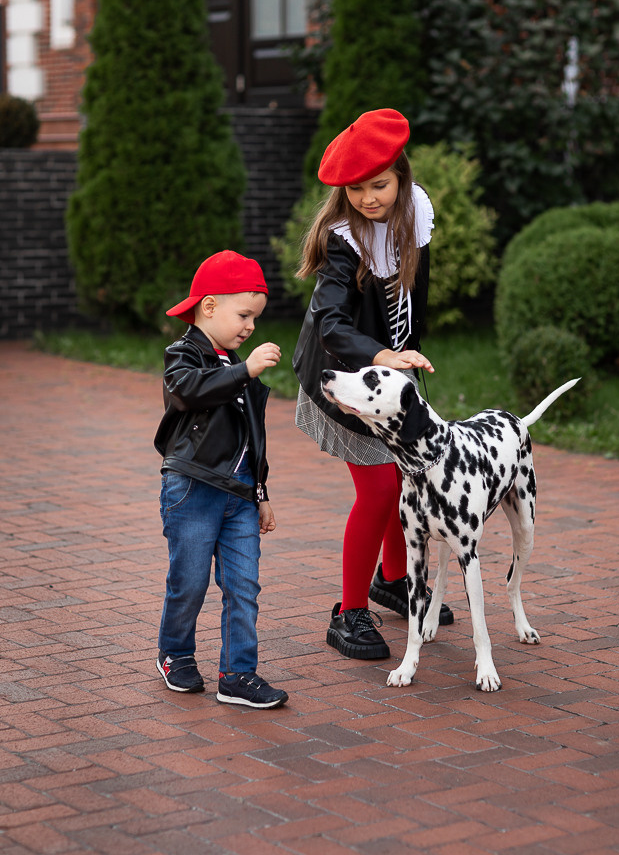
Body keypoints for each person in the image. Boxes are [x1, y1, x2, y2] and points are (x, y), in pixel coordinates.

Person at [293, 107, 454, 660]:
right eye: (356, 189)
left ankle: (394, 580)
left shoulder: (416, 210)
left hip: (388, 373)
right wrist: (383, 354)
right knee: (381, 488)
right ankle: (350, 613)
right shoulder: (343, 238)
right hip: (342, 374)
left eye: (379, 185)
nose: (368, 198)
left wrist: (405, 351)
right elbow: (331, 323)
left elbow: (415, 291)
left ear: (401, 177)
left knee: (404, 477)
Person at [154, 250, 288, 709]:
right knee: (188, 581)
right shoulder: (184, 354)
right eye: (244, 314)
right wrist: (244, 370)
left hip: (240, 496)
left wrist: (262, 493)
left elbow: (254, 438)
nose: (250, 326)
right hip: (192, 489)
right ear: (209, 307)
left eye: (256, 317)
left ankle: (238, 673)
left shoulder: (235, 363)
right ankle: (174, 653)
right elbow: (188, 391)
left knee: (243, 585)